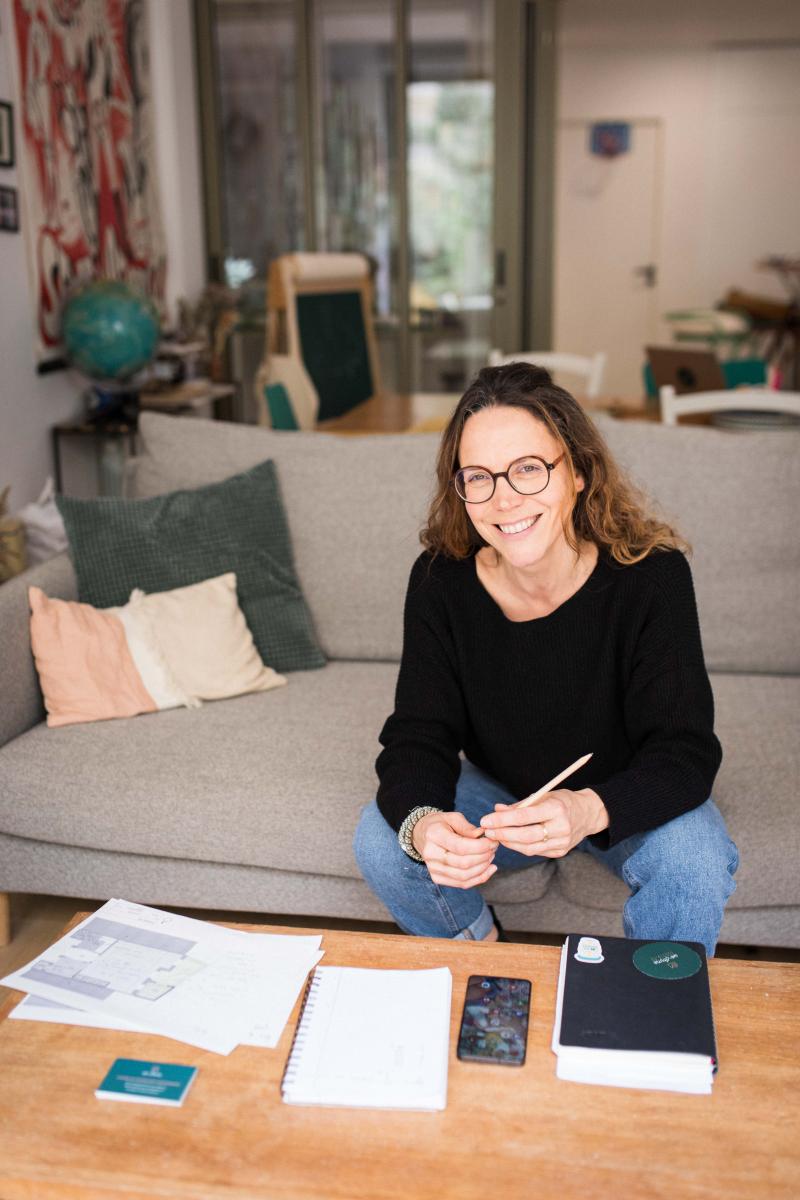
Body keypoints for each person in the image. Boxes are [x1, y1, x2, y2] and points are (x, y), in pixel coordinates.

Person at [353, 363, 739, 957]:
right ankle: (484, 954)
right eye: (478, 477)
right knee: (384, 840)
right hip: (502, 796)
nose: (504, 499)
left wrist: (587, 809)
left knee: (695, 858)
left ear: (578, 472)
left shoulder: (653, 577)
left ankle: (658, 1001)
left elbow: (685, 751)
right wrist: (426, 824)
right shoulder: (440, 581)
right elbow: (418, 735)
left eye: (529, 469)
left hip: (623, 792)